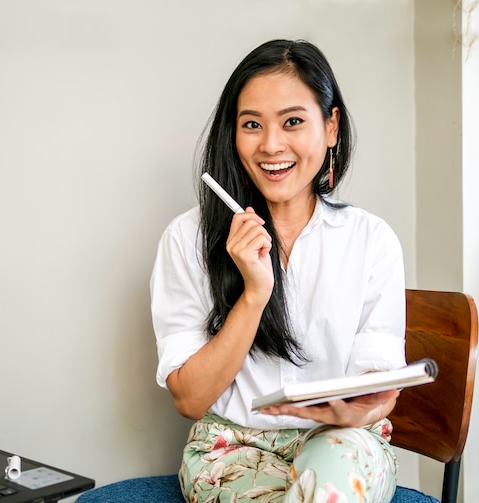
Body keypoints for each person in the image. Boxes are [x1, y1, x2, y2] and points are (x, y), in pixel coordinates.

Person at [150, 39, 406, 503]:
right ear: (233, 133)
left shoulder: (372, 240)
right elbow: (190, 400)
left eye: (292, 121)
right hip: (231, 448)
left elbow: (381, 389)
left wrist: (358, 412)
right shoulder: (187, 238)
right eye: (252, 125)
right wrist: (254, 292)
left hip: (339, 440)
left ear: (331, 127)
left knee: (330, 482)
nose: (271, 145)